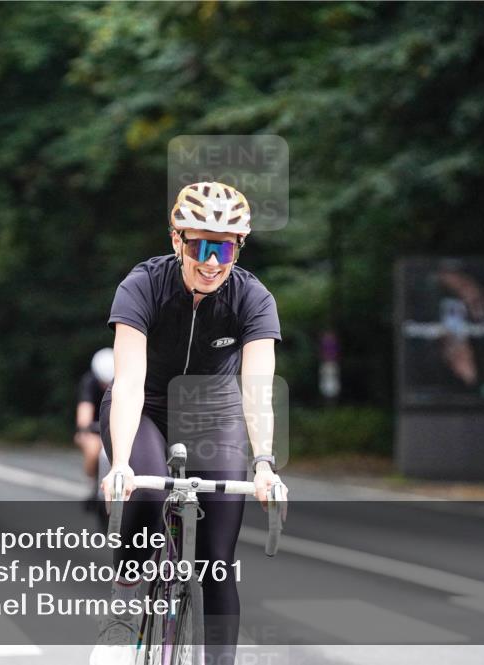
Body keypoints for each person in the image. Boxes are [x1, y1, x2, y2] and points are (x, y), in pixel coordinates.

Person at [91, 182, 286, 665]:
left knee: (217, 564)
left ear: (239, 247)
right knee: (149, 492)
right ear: (177, 240)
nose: (213, 260)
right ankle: (124, 605)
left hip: (212, 414)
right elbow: (130, 379)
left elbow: (258, 389)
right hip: (146, 409)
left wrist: (264, 464)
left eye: (225, 247)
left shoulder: (253, 298)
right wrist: (119, 466)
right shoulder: (143, 285)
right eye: (201, 245)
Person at [76, 348, 113, 526]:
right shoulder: (89, 381)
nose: (106, 386)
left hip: (118, 427)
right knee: (92, 449)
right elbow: (85, 408)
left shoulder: (127, 380)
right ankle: (93, 482)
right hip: (96, 428)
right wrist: (85, 427)